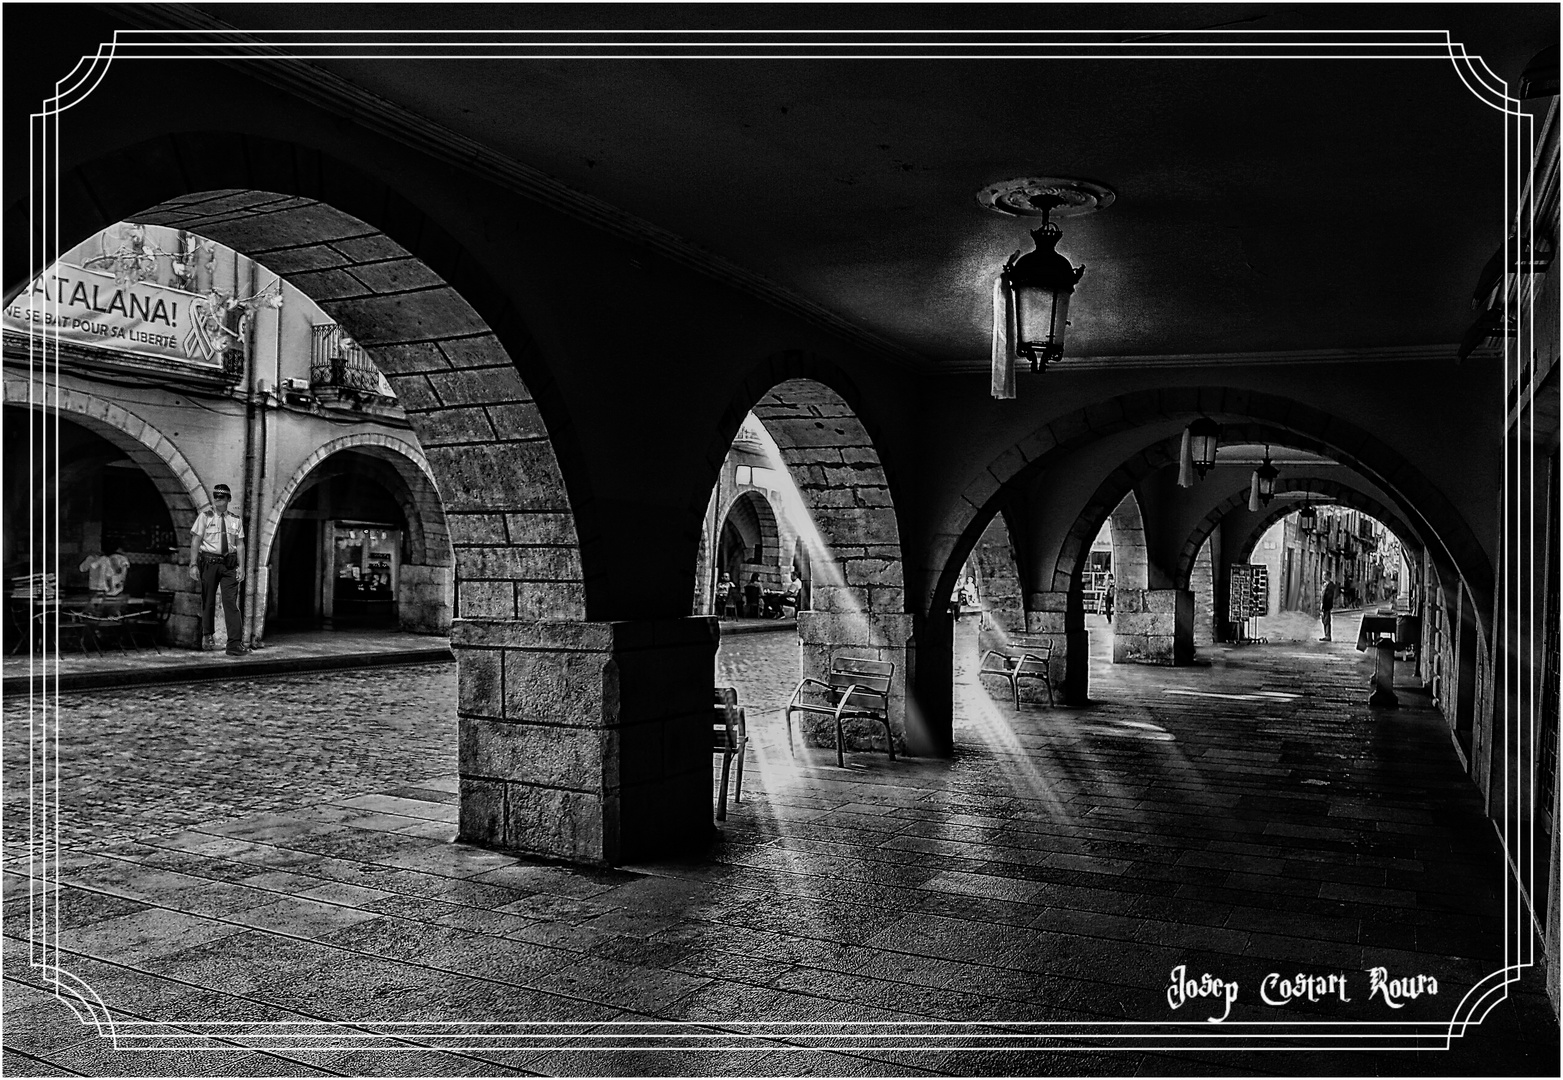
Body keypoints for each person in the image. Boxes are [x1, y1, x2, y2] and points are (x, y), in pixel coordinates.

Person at [189, 483, 247, 655]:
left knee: (231, 603)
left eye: (221, 497)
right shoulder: (205, 517)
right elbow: (196, 541)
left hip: (229, 564)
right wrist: (193, 564)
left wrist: (241, 567)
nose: (218, 500)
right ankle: (208, 635)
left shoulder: (235, 520)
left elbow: (240, 544)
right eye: (216, 497)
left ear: (228, 499)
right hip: (209, 562)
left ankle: (235, 644)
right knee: (208, 600)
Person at [79, 541, 130, 606]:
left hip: (106, 589)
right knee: (100, 606)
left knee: (103, 606)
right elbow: (83, 568)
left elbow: (113, 573)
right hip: (101, 588)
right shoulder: (98, 559)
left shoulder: (107, 559)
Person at [1319, 573, 1339, 642]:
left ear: (1328, 576)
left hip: (1327, 606)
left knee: (1327, 621)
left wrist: (1325, 605)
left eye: (1324, 575)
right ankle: (1326, 635)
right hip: (1324, 605)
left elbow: (1329, 597)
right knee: (1324, 621)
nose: (1323, 576)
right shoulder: (1325, 584)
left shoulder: (1330, 585)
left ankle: (1328, 636)